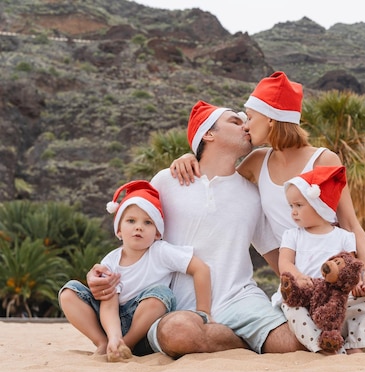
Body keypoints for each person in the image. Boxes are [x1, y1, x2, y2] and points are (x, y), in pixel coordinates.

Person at [171, 71, 365, 354]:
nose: (246, 124)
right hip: (309, 283)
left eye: (250, 116)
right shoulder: (257, 162)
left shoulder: (324, 159)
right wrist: (189, 156)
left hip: (351, 270)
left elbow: (350, 223)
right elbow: (219, 175)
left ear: (270, 118)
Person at [86, 101, 305, 358]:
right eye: (235, 121)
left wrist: (307, 285)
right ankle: (243, 341)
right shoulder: (166, 181)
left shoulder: (252, 192)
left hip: (240, 299)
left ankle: (232, 337)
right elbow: (136, 235)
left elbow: (274, 254)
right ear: (208, 134)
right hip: (178, 306)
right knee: (178, 333)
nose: (246, 125)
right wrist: (103, 273)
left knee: (291, 344)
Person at [58, 180, 212, 361]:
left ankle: (126, 344)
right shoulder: (111, 261)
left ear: (156, 233)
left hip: (144, 327)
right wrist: (113, 336)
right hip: (111, 322)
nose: (139, 226)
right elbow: (109, 303)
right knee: (68, 292)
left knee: (161, 293)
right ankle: (104, 343)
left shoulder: (160, 251)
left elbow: (200, 269)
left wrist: (204, 312)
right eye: (131, 221)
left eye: (148, 222)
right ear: (119, 230)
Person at [278, 165, 365, 354]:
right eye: (291, 206)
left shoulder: (344, 236)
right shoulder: (292, 235)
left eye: (299, 205)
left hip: (337, 296)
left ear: (319, 206)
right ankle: (323, 346)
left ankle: (357, 345)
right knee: (292, 309)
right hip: (308, 294)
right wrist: (297, 276)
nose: (293, 212)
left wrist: (352, 283)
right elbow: (285, 262)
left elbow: (349, 265)